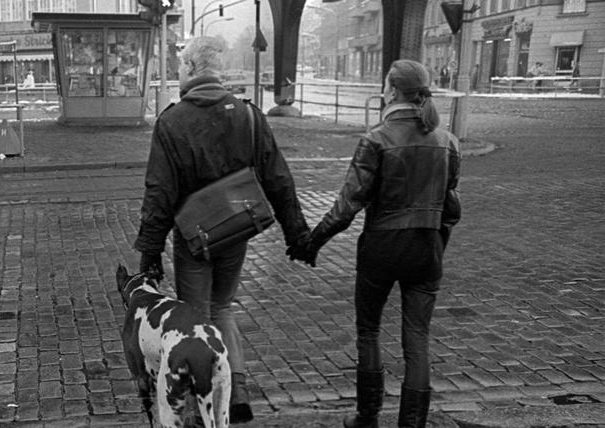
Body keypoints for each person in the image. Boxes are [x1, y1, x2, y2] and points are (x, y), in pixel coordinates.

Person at [134, 35, 312, 424]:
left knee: (196, 318)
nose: (178, 72)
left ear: (194, 70)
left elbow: (159, 194)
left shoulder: (172, 121)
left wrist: (150, 254)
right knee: (224, 308)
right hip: (236, 229)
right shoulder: (248, 115)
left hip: (194, 241)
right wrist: (297, 234)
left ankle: (203, 404)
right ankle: (239, 390)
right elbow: (279, 179)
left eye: (181, 66)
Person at [292, 59, 461, 428]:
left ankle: (367, 417)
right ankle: (412, 423)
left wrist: (312, 243)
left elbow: (347, 204)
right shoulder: (447, 142)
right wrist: (436, 245)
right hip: (425, 250)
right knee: (417, 338)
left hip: (381, 250)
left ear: (393, 90)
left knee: (368, 331)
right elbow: (451, 208)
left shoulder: (376, 139)